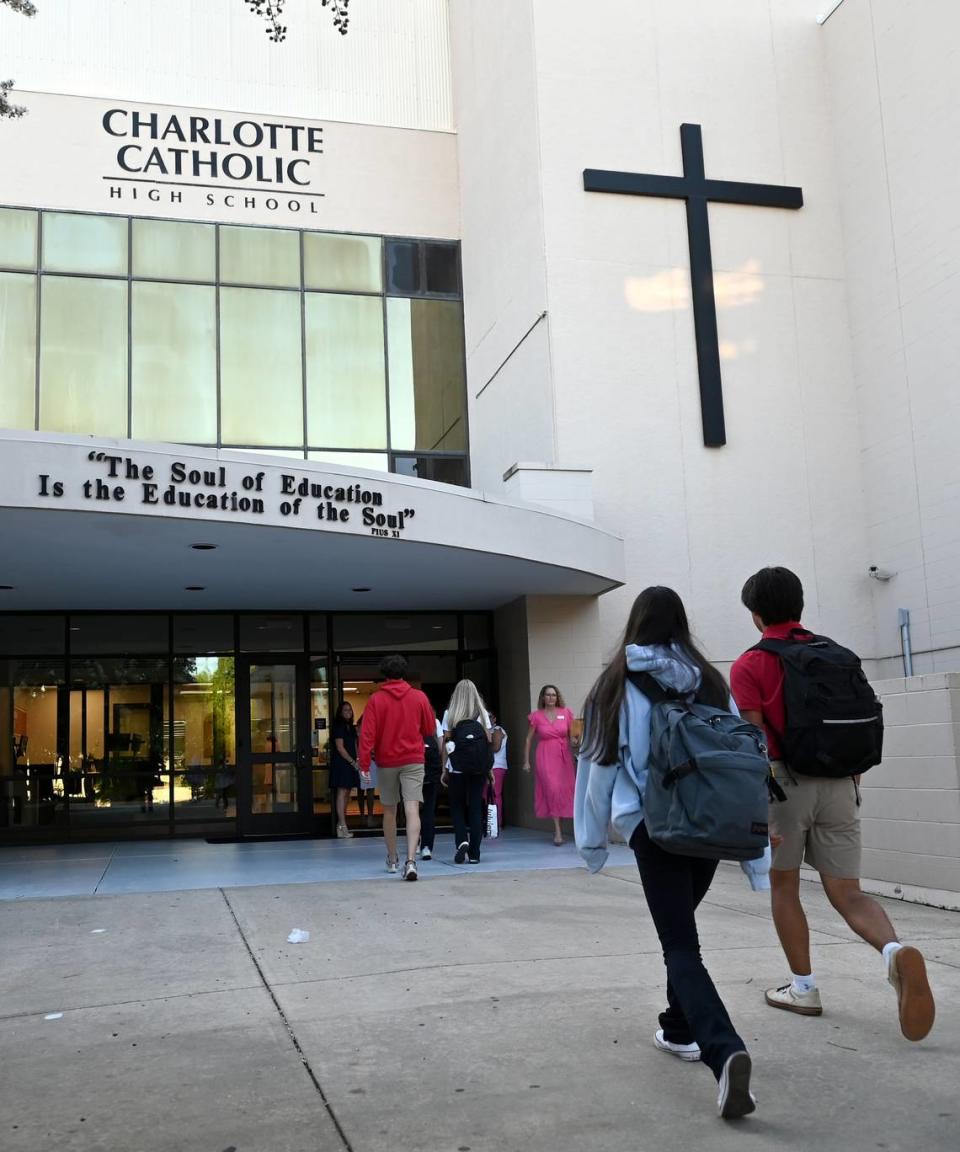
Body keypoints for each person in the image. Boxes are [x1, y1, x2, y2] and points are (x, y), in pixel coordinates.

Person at [575, 586, 766, 1121]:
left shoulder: (615, 684)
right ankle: (677, 1026)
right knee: (681, 929)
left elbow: (597, 771)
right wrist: (755, 855)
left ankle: (723, 1050)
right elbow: (741, 755)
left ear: (635, 623)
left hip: (654, 827)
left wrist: (592, 844)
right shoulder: (710, 679)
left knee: (680, 944)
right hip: (711, 824)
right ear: (682, 624)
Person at [730, 566, 935, 1041]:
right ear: (799, 605)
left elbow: (754, 741)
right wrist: (849, 777)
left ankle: (803, 989)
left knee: (785, 888)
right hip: (843, 782)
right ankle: (894, 952)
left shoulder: (751, 664)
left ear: (757, 616)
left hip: (784, 785)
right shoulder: (838, 655)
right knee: (849, 892)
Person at [358, 654, 437, 881]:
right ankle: (411, 861)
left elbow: (367, 735)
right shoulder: (419, 697)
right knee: (413, 809)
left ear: (384, 674)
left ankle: (393, 859)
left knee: (390, 811)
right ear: (405, 672)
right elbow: (429, 728)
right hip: (413, 758)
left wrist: (364, 763)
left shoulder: (376, 700)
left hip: (387, 761)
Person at [442, 679, 499, 864]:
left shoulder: (450, 714)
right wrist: (489, 768)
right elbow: (487, 744)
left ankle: (461, 841)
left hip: (457, 768)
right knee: (475, 808)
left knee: (457, 807)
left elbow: (447, 743)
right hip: (478, 768)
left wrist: (445, 768)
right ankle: (475, 853)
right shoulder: (482, 714)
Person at [523, 685, 578, 845]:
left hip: (563, 757)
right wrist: (526, 761)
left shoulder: (566, 713)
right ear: (542, 697)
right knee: (552, 790)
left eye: (553, 695)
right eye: (547, 695)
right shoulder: (537, 716)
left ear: (557, 697)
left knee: (565, 791)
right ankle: (558, 833)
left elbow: (573, 734)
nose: (551, 698)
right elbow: (528, 739)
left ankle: (570, 830)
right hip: (545, 755)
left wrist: (575, 740)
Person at [330, 700, 360, 838]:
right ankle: (342, 825)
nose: (348, 712)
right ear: (340, 712)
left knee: (347, 792)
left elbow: (355, 745)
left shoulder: (351, 727)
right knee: (342, 792)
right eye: (345, 710)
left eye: (350, 710)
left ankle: (341, 825)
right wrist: (352, 762)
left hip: (351, 763)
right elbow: (340, 748)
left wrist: (357, 760)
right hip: (342, 763)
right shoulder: (338, 726)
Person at [418, 712, 444, 860]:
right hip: (432, 771)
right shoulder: (435, 721)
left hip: (413, 770)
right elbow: (441, 747)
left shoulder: (410, 719)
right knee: (429, 808)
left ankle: (414, 843)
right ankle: (426, 847)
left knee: (412, 809)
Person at [488, 710, 508, 832]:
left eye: (489, 716)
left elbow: (495, 747)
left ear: (494, 719)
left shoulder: (497, 730)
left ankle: (497, 824)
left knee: (495, 795)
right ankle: (490, 824)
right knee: (486, 795)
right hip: (488, 767)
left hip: (497, 766)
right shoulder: (487, 731)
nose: (487, 718)